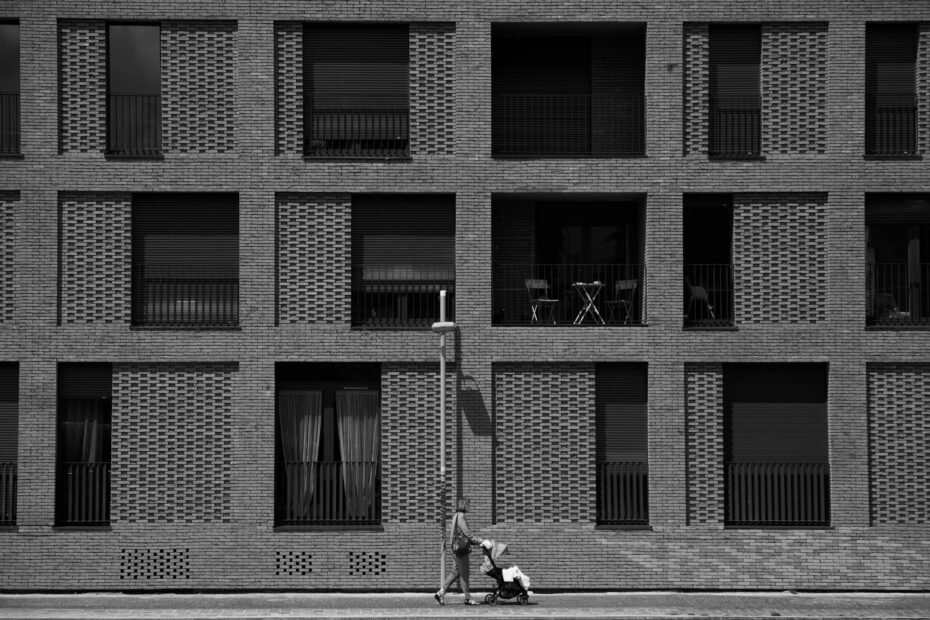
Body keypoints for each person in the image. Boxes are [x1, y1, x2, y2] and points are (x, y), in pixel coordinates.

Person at [435, 497, 491, 606]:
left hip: (456, 549)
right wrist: (482, 541)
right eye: (468, 505)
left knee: (455, 572)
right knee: (465, 574)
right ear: (464, 505)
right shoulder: (461, 516)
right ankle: (468, 598)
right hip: (461, 550)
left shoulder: (455, 516)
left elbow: (458, 534)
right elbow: (467, 533)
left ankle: (440, 593)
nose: (469, 507)